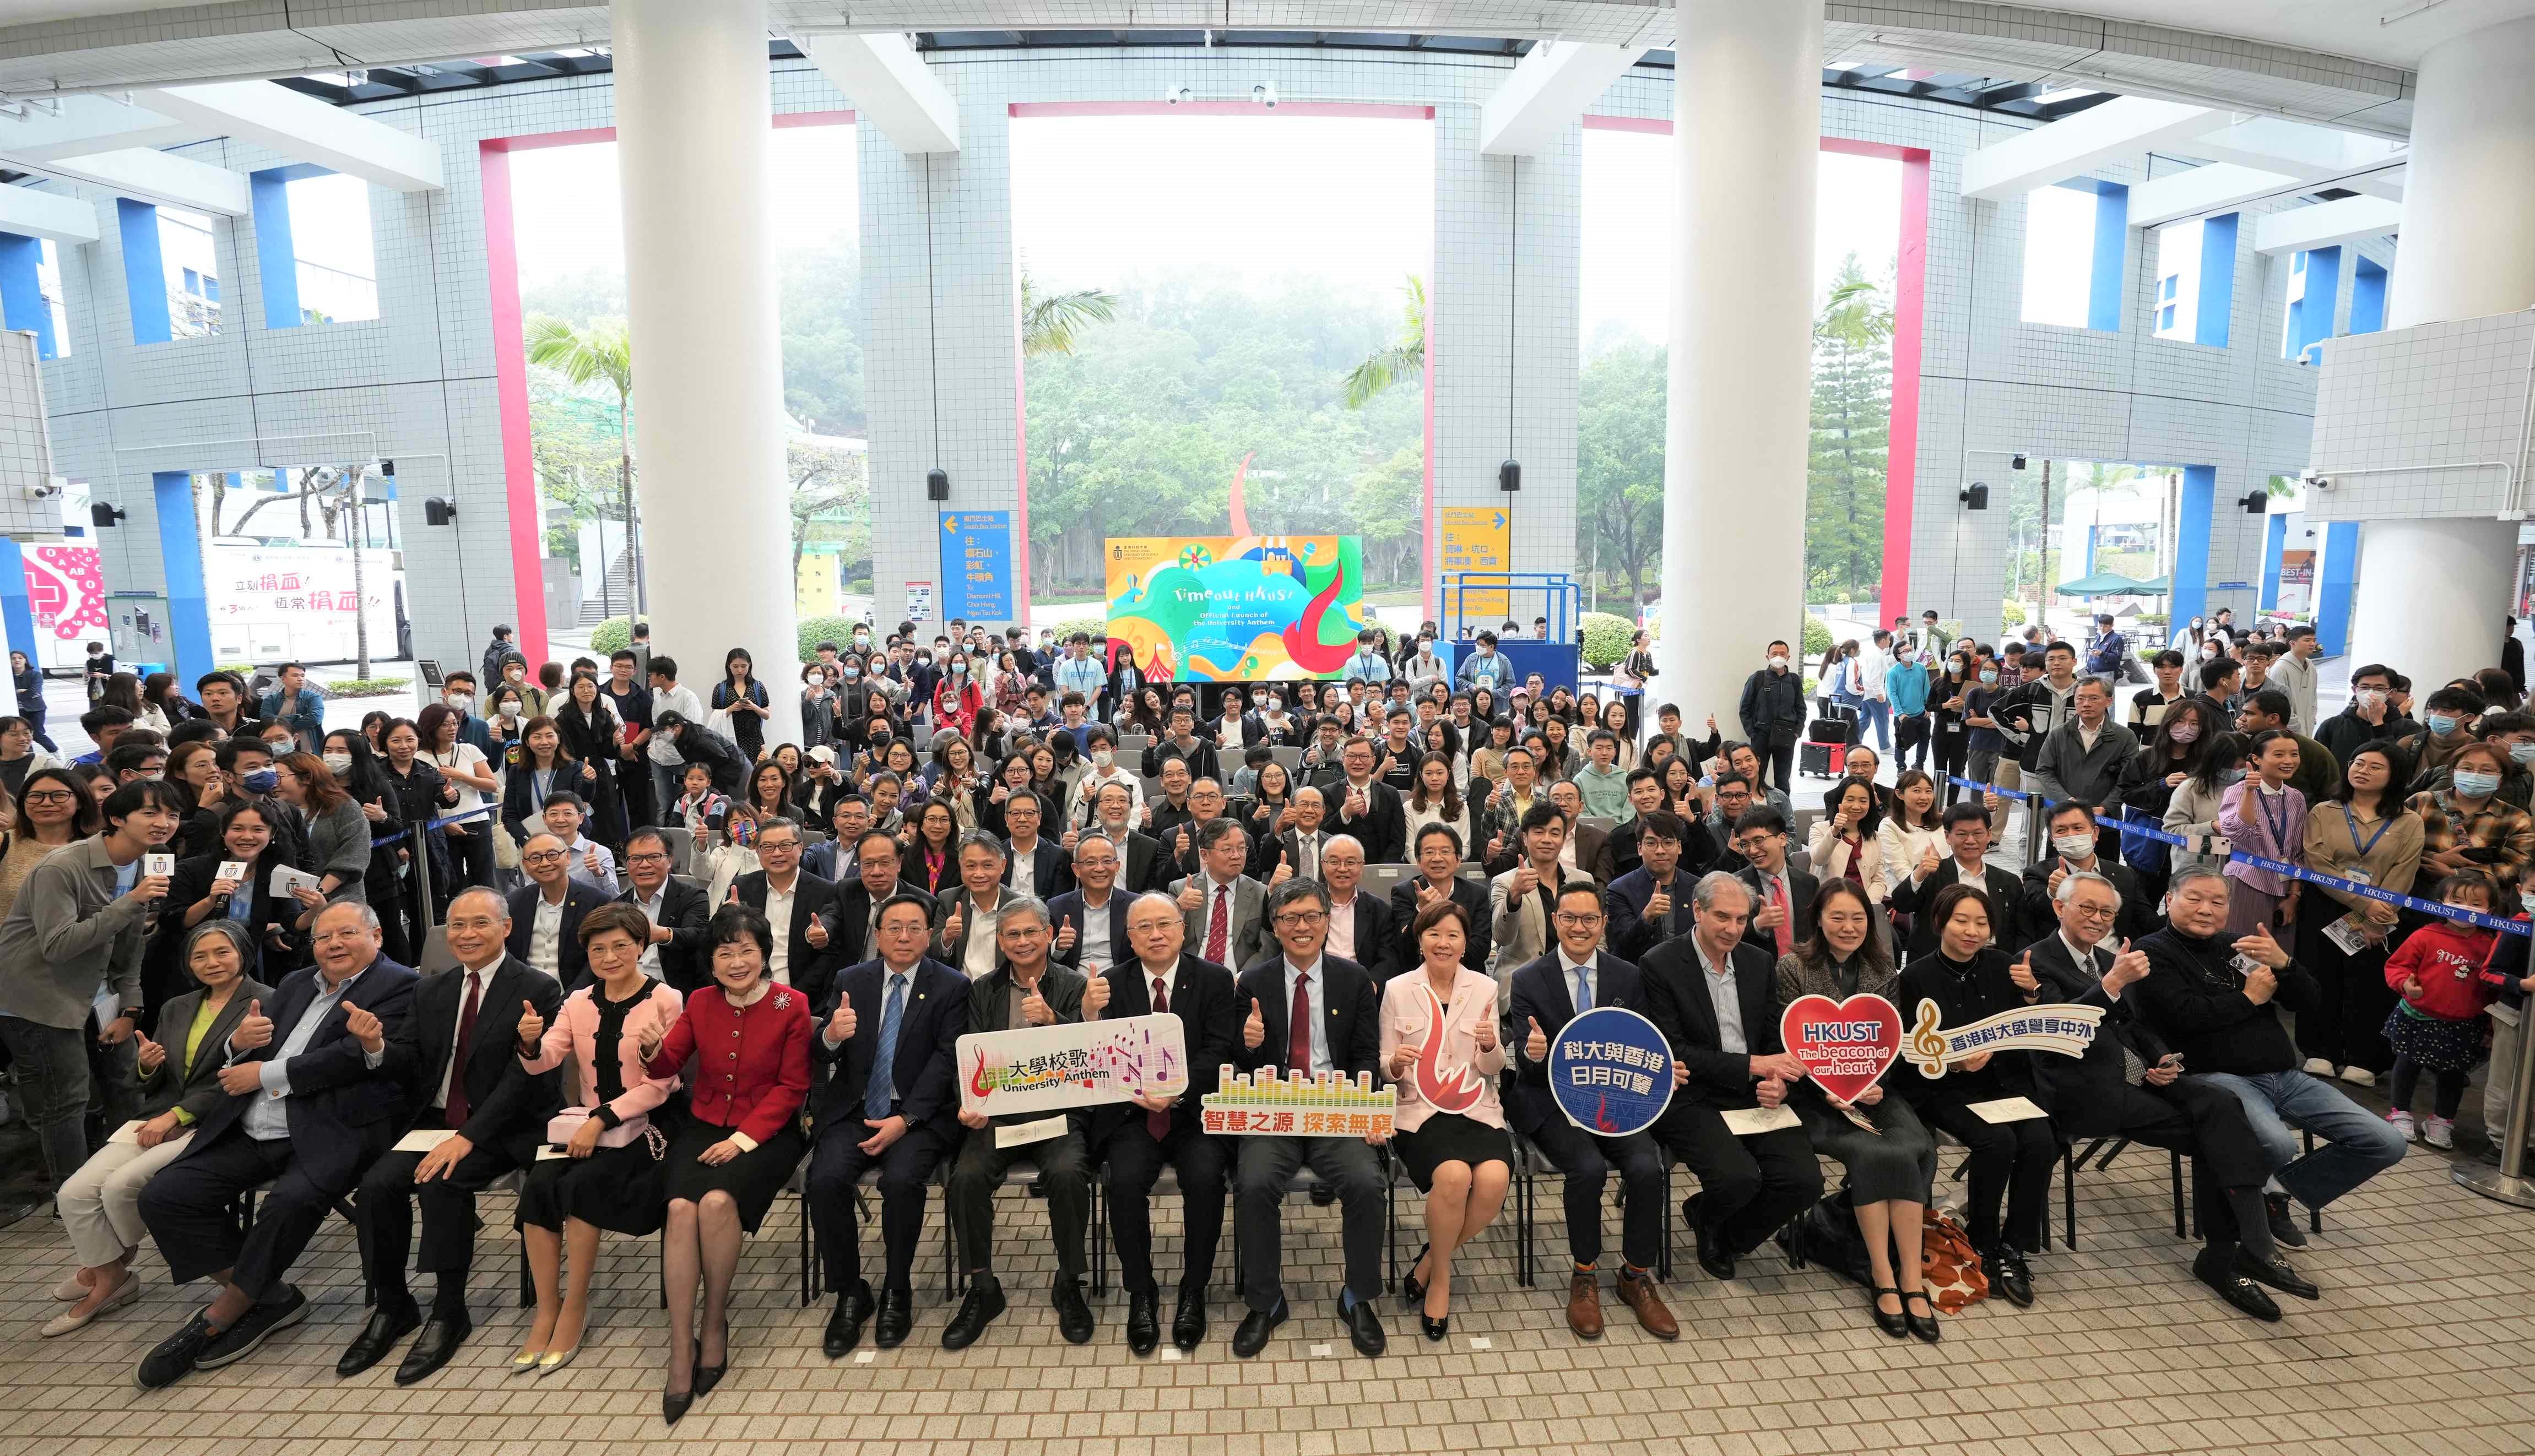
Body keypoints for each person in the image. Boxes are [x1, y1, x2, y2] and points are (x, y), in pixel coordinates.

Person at [133, 900, 419, 1388]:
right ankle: (270, 1296)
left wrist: (262, 1072)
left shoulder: (401, 985)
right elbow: (248, 1051)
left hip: (331, 1130)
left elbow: (355, 1056)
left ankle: (219, 1316)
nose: (332, 945)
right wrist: (239, 1044)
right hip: (250, 1124)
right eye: (323, 937)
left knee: (289, 1202)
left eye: (346, 933)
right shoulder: (293, 983)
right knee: (163, 1196)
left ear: (377, 936)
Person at [2025, 871, 2309, 1319]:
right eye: (2087, 908)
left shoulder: (2107, 956)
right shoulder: (2034, 961)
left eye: (2107, 912)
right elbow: (2057, 1032)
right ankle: (2233, 1254)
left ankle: (2240, 1251)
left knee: (2220, 1105)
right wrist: (2113, 983)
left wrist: (2161, 1057)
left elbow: (2135, 1025)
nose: (2098, 919)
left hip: (2137, 1077)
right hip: (2082, 1089)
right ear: (2059, 908)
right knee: (2215, 1134)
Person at [340, 885, 565, 1383]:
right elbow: (410, 1062)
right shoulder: (432, 989)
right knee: (376, 1187)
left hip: (504, 1126)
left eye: (480, 923)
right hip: (436, 1122)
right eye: (457, 925)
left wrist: (468, 1137)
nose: (466, 934)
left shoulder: (538, 988)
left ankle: (449, 1309)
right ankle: (393, 1305)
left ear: (506, 928)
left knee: (444, 1181)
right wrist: (376, 1045)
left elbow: (523, 1082)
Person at [2132, 865, 2408, 1247]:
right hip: (2216, 1077)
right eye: (2194, 899)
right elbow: (2185, 1016)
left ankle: (2276, 1195)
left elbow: (2309, 1003)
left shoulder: (2237, 946)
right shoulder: (2153, 951)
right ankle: (2254, 1206)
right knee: (2279, 1145)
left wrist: (2286, 965)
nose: (2206, 909)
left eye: (2217, 901)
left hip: (2286, 1076)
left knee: (2386, 1143)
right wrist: (2249, 999)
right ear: (2169, 900)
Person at [39, 922, 272, 1337]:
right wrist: (148, 1064)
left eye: (222, 952)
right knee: (74, 1191)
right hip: (160, 1116)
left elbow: (244, 1079)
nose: (211, 963)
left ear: (243, 953)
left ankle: (112, 1269)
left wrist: (178, 1116)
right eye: (200, 956)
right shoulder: (177, 1006)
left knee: (119, 1187)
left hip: (218, 1122)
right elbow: (157, 1081)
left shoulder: (266, 1002)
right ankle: (110, 1269)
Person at [640, 904, 812, 1424]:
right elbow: (672, 1063)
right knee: (679, 1210)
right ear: (711, 961)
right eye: (724, 952)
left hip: (769, 1133)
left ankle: (714, 1324)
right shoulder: (700, 1001)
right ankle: (679, 1346)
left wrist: (743, 1141)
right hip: (703, 1124)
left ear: (764, 955)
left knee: (715, 1203)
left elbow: (793, 1088)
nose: (736, 962)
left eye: (746, 951)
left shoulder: (793, 1004)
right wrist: (652, 1052)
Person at [510, 901, 685, 1372]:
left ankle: (575, 1306)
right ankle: (547, 1308)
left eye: (621, 947)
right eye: (598, 949)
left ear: (641, 947)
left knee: (581, 1187)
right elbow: (546, 1057)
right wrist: (529, 1040)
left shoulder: (666, 999)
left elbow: (662, 1083)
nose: (610, 957)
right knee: (540, 1188)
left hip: (649, 1128)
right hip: (586, 1124)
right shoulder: (578, 1001)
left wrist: (602, 1118)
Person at [1507, 882, 1680, 1339]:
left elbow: (1644, 1041)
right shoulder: (1528, 978)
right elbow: (1522, 1058)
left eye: (1589, 919)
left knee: (1647, 1167)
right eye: (1569, 918)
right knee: (1587, 1169)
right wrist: (1535, 1052)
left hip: (1615, 1099)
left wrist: (1666, 1068)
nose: (1579, 928)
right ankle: (1584, 1274)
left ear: (1603, 924)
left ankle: (1634, 1276)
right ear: (1556, 922)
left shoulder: (1628, 975)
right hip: (1551, 1100)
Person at [1771, 880, 1941, 1340]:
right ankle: (1883, 1274)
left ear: (1871, 922)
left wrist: (1874, 1084)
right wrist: (1824, 1082)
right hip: (1813, 1097)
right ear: (1818, 920)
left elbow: (1890, 1041)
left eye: (1858, 918)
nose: (1848, 927)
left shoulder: (1883, 968)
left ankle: (1907, 1272)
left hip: (1873, 1090)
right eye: (1837, 917)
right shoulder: (1793, 966)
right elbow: (1788, 1038)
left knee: (1921, 1148)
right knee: (1877, 1155)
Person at [1228, 876, 1388, 1359]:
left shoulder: (1353, 979)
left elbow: (1364, 1055)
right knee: (1253, 1185)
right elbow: (1237, 1064)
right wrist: (1249, 1047)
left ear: (1327, 921)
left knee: (1365, 1182)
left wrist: (1359, 1110)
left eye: (1312, 916)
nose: (1302, 927)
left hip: (1333, 1108)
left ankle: (1358, 1296)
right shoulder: (1252, 982)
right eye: (1290, 918)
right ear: (1274, 927)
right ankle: (1266, 1301)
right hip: (1275, 1109)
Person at [1638, 872, 1824, 1281]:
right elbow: (1673, 1050)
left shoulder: (1758, 962)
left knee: (1805, 1181)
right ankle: (1711, 1218)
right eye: (1723, 917)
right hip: (1691, 1095)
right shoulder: (1660, 964)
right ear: (1697, 910)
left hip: (1754, 1091)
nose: (1733, 929)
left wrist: (1780, 1080)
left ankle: (1725, 1232)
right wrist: (1754, 1065)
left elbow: (1774, 1035)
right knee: (1738, 1178)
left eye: (1741, 919)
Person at [806, 890, 967, 1356]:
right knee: (826, 1180)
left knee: (900, 1182)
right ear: (877, 935)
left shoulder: (951, 985)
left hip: (919, 1114)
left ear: (930, 935)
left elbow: (946, 1061)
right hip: (856, 1109)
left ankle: (898, 1288)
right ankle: (851, 1291)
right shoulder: (851, 978)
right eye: (893, 927)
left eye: (915, 927)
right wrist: (831, 1036)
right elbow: (819, 1049)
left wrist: (906, 1120)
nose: (903, 936)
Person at [0, 778, 180, 1193]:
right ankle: (75, 1197)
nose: (163, 823)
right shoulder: (62, 866)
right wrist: (130, 901)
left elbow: (132, 946)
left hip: (98, 992)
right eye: (150, 813)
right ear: (116, 818)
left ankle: (124, 1184)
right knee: (67, 1099)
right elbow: (59, 946)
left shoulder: (154, 860)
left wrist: (130, 1009)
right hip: (36, 996)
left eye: (172, 814)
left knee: (129, 1085)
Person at [1080, 889, 1238, 1354]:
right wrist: (1090, 1012)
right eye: (1143, 927)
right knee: (1124, 1182)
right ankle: (1140, 1289)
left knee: (1207, 1177)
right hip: (1132, 1113)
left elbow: (1219, 1048)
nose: (1155, 934)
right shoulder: (1110, 982)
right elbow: (1096, 1056)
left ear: (1182, 929)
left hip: (1194, 1110)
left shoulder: (1213, 978)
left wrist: (1180, 1090)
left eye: (1164, 924)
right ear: (1129, 937)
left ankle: (1194, 1287)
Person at [940, 897, 1094, 1348]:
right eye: (1012, 934)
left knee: (1067, 1175)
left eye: (1031, 932)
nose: (1023, 941)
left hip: (1056, 1114)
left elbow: (1088, 1058)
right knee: (965, 1178)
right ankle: (984, 1288)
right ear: (1001, 942)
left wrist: (1053, 1020)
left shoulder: (1073, 984)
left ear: (1049, 935)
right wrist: (966, 1103)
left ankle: (1069, 1281)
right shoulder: (983, 988)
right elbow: (964, 1055)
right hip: (996, 1115)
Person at [1891, 884, 2052, 1306]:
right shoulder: (1915, 977)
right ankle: (1982, 1241)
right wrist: (1954, 1063)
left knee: (2040, 1139)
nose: (1972, 931)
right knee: (1997, 1142)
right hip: (1943, 1088)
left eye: (1982, 923)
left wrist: (2033, 992)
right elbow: (1907, 1053)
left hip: (1999, 1084)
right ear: (1941, 922)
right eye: (1961, 921)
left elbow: (2031, 1025)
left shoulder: (2004, 965)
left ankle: (2013, 1246)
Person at [1380, 899, 1509, 1341]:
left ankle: (1430, 1260)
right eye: (1434, 934)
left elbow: (1493, 1068)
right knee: (1453, 1178)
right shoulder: (1398, 989)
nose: (1444, 943)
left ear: (1465, 943)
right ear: (1420, 941)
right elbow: (1383, 1063)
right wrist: (1394, 1062)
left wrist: (1492, 1047)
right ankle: (1440, 1282)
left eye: (1453, 935)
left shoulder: (1484, 989)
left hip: (1476, 1107)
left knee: (1492, 1182)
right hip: (1421, 1111)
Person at [2297, 745, 2423, 1085]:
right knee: (2320, 977)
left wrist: (2377, 917)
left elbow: (2403, 873)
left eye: (2375, 767)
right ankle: (2320, 1051)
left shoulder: (2409, 821)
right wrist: (2362, 902)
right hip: (2325, 904)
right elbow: (2317, 861)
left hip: (2382, 914)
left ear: (2394, 775)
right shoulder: (2324, 810)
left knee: (2369, 985)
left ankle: (2364, 1056)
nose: (2363, 770)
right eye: (2358, 762)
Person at [2381, 871, 2503, 1149]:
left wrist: (2490, 1027)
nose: (2465, 909)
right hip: (2418, 1015)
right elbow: (2397, 967)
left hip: (2464, 1022)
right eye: (2457, 900)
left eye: (2475, 904)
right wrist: (2405, 985)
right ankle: (2400, 1112)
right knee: (2407, 1064)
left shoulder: (2490, 945)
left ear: (2491, 910)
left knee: (2454, 1074)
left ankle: (2443, 1119)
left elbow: (2494, 987)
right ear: (2440, 902)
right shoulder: (2425, 935)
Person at [728, 815, 840, 1003]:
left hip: (804, 996)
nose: (777, 853)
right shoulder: (742, 887)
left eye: (786, 845)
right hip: (747, 991)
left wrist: (794, 997)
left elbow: (829, 955)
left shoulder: (826, 891)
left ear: (800, 847)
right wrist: (727, 919)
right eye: (768, 847)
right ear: (758, 851)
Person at [2019, 798, 2154, 946]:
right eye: (2061, 830)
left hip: (2116, 957)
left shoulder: (2124, 875)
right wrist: (2052, 893)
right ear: (2053, 840)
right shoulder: (2038, 874)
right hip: (2064, 963)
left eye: (2078, 828)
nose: (2071, 835)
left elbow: (2148, 921)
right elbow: (2036, 914)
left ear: (2095, 833)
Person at [1491, 802, 1596, 984]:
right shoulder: (1505, 882)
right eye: (1539, 832)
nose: (1547, 839)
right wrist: (1514, 896)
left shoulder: (1584, 880)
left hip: (1576, 978)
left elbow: (1597, 934)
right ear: (1525, 838)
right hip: (1523, 982)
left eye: (1554, 833)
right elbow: (1503, 938)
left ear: (1563, 840)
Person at [2219, 729, 2310, 934]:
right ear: (2256, 759)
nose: (2289, 761)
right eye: (2278, 754)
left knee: (2279, 955)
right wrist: (2250, 792)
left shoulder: (2296, 797)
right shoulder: (2238, 790)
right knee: (2244, 953)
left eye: (2294, 754)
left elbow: (2298, 851)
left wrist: (2294, 896)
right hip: (2247, 882)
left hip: (2286, 889)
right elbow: (2238, 833)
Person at [2408, 738, 2535, 883]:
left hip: (2474, 900)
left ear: (2501, 778)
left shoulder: (2516, 818)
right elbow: (2393, 844)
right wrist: (2434, 858)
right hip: (2413, 890)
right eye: (2467, 768)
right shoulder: (2422, 801)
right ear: (2453, 771)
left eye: (2487, 770)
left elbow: (2519, 866)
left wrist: (2457, 873)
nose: (2475, 775)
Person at [507, 832, 610, 986]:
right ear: (525, 865)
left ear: (568, 857)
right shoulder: (513, 902)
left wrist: (571, 1000)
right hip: (523, 993)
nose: (545, 863)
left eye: (553, 855)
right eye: (535, 858)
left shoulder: (596, 901)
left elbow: (599, 957)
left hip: (577, 996)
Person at [620, 825, 712, 991]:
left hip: (675, 993)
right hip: (625, 992)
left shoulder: (693, 897)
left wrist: (663, 934)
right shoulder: (617, 906)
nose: (644, 865)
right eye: (635, 858)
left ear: (670, 860)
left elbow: (699, 935)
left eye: (654, 857)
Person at [1318, 834, 1398, 980]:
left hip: (1363, 984)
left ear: (1362, 866)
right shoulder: (1309, 904)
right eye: (1334, 862)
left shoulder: (1379, 909)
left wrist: (1371, 984)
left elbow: (1389, 957)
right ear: (1323, 865)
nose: (1342, 869)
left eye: (1350, 862)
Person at [2316, 663, 2415, 772]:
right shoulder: (2332, 725)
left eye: (2379, 688)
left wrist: (2378, 724)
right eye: (2364, 687)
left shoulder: (2408, 728)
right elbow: (2318, 763)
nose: (2371, 693)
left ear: (2391, 693)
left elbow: (2397, 764)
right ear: (2355, 690)